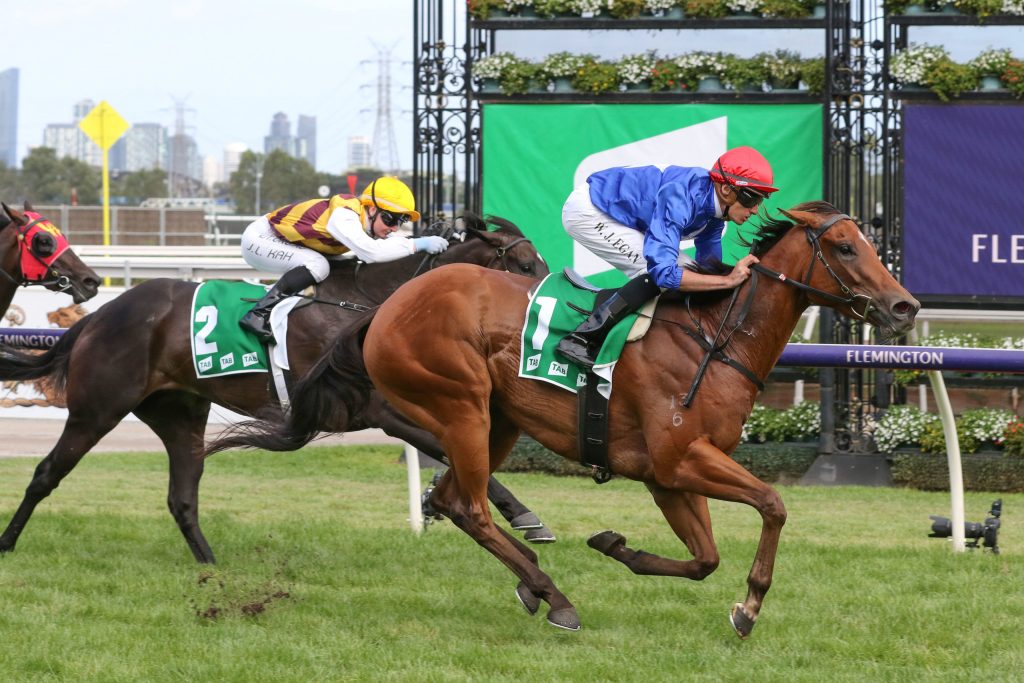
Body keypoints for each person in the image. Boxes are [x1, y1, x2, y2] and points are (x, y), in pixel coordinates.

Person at [555, 146, 779, 369]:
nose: (755, 210)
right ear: (726, 190)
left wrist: (729, 281)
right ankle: (582, 338)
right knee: (657, 272)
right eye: (751, 199)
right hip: (589, 210)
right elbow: (663, 273)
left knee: (692, 273)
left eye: (761, 201)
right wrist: (727, 281)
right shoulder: (681, 196)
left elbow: (707, 268)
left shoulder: (717, 211)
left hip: (623, 214)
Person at [238, 176, 448, 340]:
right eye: (390, 219)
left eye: (400, 222)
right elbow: (372, 253)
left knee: (343, 266)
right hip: (261, 239)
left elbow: (389, 247)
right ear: (372, 209)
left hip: (290, 242)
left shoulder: (367, 221)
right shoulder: (345, 215)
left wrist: (417, 242)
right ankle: (258, 314)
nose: (394, 228)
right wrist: (418, 244)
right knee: (318, 266)